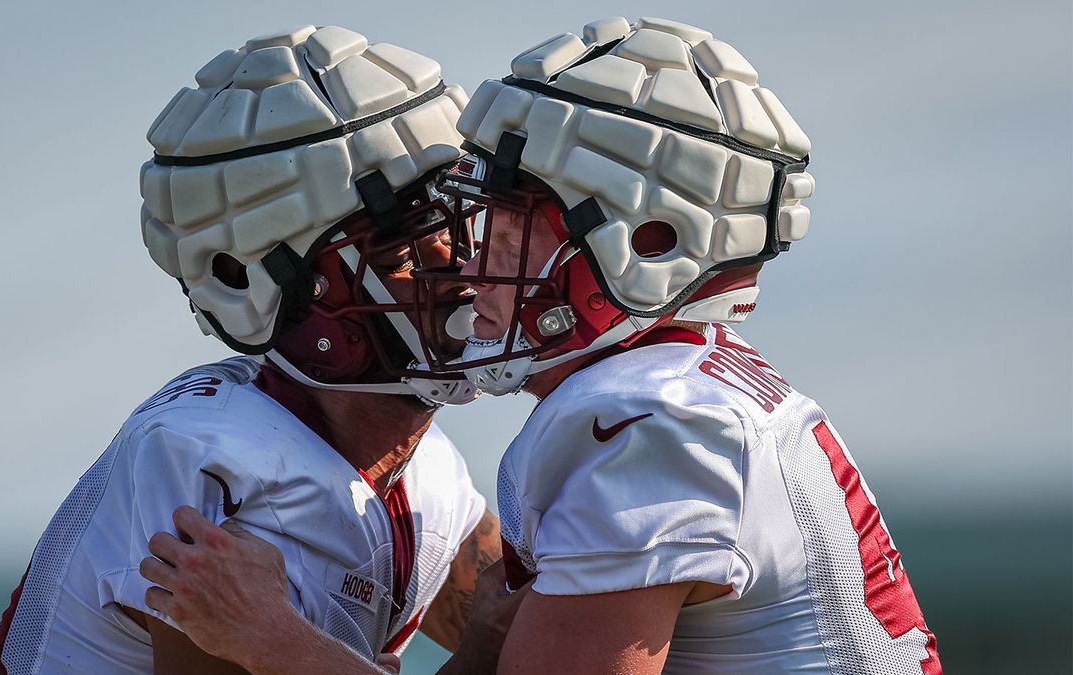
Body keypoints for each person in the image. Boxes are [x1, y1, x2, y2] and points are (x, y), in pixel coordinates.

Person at [140, 16, 943, 675]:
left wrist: (272, 640)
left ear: (647, 241)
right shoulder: (693, 387)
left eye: (515, 213)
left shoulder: (645, 421)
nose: (471, 248)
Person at [0, 24, 501, 675]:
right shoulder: (207, 460)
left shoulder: (432, 473)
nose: (463, 269)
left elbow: (540, 645)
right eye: (404, 247)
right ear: (262, 284)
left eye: (462, 226)